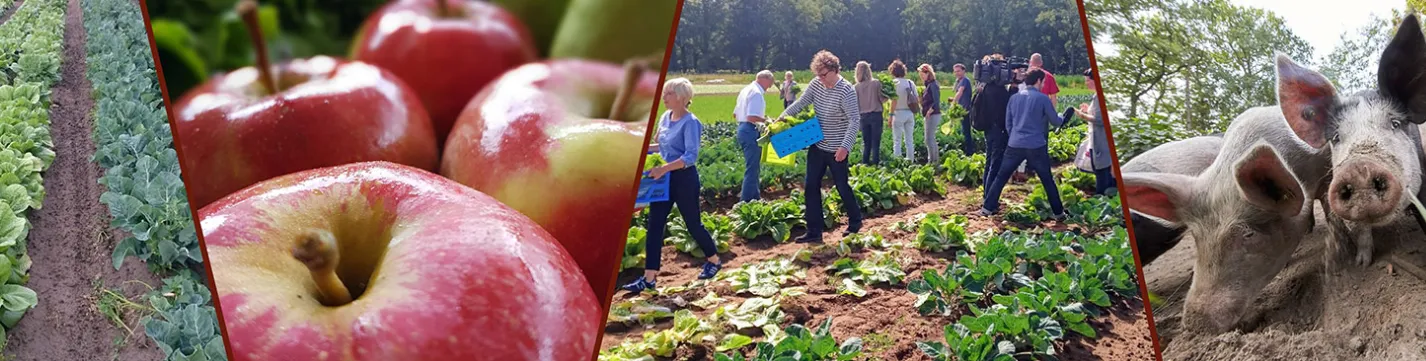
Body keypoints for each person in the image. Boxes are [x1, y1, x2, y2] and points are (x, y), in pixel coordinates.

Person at [622, 78, 722, 293]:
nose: (664, 97)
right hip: (663, 179)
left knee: (693, 224)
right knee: (655, 226)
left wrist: (664, 168)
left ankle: (714, 260)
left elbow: (690, 156)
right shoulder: (665, 117)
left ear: (681, 97)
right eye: (665, 93)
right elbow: (662, 146)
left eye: (669, 94)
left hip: (684, 179)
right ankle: (649, 279)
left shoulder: (691, 122)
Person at [776, 50, 863, 243]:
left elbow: (854, 120)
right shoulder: (816, 85)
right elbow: (800, 104)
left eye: (824, 75)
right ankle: (814, 231)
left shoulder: (846, 90)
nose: (821, 79)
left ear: (834, 70)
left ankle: (856, 222)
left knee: (841, 186)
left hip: (837, 149)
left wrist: (845, 147)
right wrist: (780, 119)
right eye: (818, 75)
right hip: (818, 144)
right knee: (810, 186)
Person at [979, 69, 1068, 219]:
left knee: (1001, 176)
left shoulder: (1014, 98)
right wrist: (1062, 117)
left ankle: (987, 208)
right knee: (1047, 179)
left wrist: (1014, 135)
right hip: (1036, 145)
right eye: (1043, 82)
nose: (1043, 84)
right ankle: (1059, 214)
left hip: (1015, 144)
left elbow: (1008, 123)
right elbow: (1055, 121)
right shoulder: (1042, 99)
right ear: (1038, 81)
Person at [973, 54, 1013, 199]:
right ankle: (990, 197)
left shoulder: (983, 88)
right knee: (995, 164)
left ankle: (986, 194)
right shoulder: (1000, 91)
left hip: (988, 128)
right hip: (997, 129)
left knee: (989, 160)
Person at [733, 70, 776, 202]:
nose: (769, 87)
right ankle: (746, 201)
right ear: (766, 80)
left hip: (742, 128)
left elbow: (735, 114)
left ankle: (755, 197)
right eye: (770, 83)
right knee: (752, 167)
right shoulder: (757, 93)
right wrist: (768, 121)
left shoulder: (746, 90)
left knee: (752, 165)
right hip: (750, 129)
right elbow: (751, 117)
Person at [1075, 68, 1116, 195]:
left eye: (1088, 80)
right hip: (1098, 140)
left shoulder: (1099, 97)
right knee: (1103, 170)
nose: (1086, 83)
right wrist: (1088, 110)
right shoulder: (1097, 96)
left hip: (1101, 142)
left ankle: (1102, 196)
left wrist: (1082, 115)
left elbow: (1100, 120)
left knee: (1102, 171)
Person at [853, 61, 888, 165]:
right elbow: (882, 99)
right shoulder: (876, 83)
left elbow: (855, 105)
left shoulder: (856, 87)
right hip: (876, 115)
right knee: (875, 144)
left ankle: (865, 165)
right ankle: (876, 165)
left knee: (866, 144)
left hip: (863, 116)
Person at [888, 60, 919, 161]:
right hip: (909, 112)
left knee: (897, 140)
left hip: (898, 113)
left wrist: (890, 115)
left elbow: (894, 101)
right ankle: (911, 161)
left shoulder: (894, 83)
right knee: (909, 140)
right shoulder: (910, 83)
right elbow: (916, 99)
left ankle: (898, 161)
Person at [918, 64, 942, 166]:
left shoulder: (933, 85)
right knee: (929, 138)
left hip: (933, 114)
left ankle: (933, 161)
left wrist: (929, 111)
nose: (921, 76)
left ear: (928, 73)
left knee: (929, 138)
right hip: (930, 114)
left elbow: (936, 101)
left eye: (922, 74)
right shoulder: (928, 85)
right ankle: (933, 160)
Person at [951, 63, 975, 154]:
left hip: (965, 110)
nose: (957, 73)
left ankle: (969, 151)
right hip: (961, 110)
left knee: (966, 131)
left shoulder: (965, 80)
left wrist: (953, 103)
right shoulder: (959, 81)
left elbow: (960, 92)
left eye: (958, 71)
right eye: (955, 71)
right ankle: (966, 150)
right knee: (963, 130)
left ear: (963, 71)